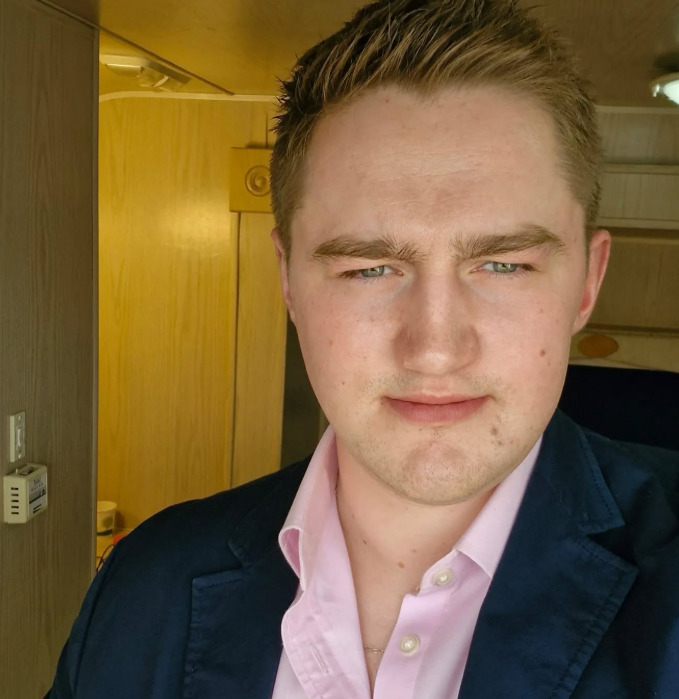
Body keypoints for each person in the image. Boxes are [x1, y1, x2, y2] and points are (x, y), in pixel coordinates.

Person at [48, 0, 679, 697]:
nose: (434, 349)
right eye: (369, 269)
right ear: (288, 280)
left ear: (587, 282)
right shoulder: (144, 587)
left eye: (503, 264)